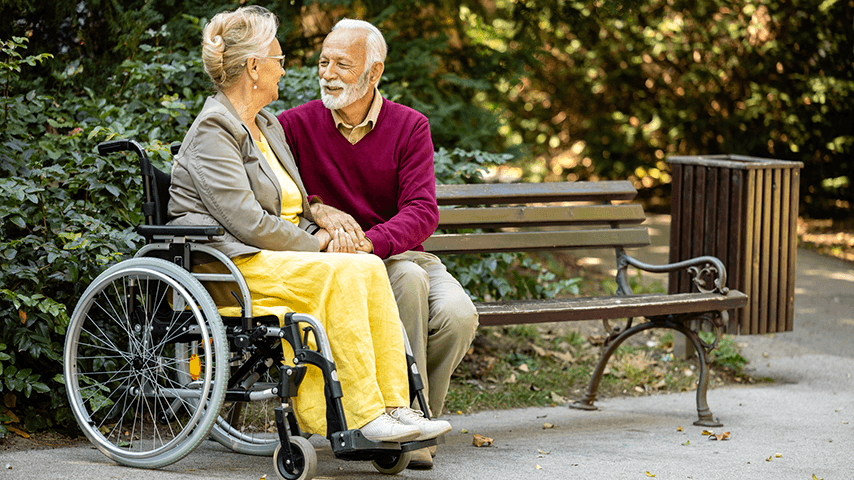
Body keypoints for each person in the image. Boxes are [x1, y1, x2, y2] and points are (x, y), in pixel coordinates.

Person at [166, 5, 451, 445]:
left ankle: (395, 405)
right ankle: (364, 413)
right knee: (347, 271)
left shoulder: (264, 125)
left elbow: (291, 198)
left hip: (272, 256)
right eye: (279, 60)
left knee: (367, 267)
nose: (285, 69)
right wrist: (318, 243)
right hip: (233, 265)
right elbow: (247, 221)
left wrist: (317, 213)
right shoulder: (214, 131)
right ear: (254, 68)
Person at [277, 18, 479, 469]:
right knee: (405, 281)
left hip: (398, 251)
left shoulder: (409, 126)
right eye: (323, 62)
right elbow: (277, 191)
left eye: (342, 65)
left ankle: (419, 417)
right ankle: (406, 431)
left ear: (374, 73)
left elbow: (423, 210)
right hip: (342, 265)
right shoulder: (294, 126)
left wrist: (372, 242)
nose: (327, 73)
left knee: (459, 316)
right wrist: (316, 207)